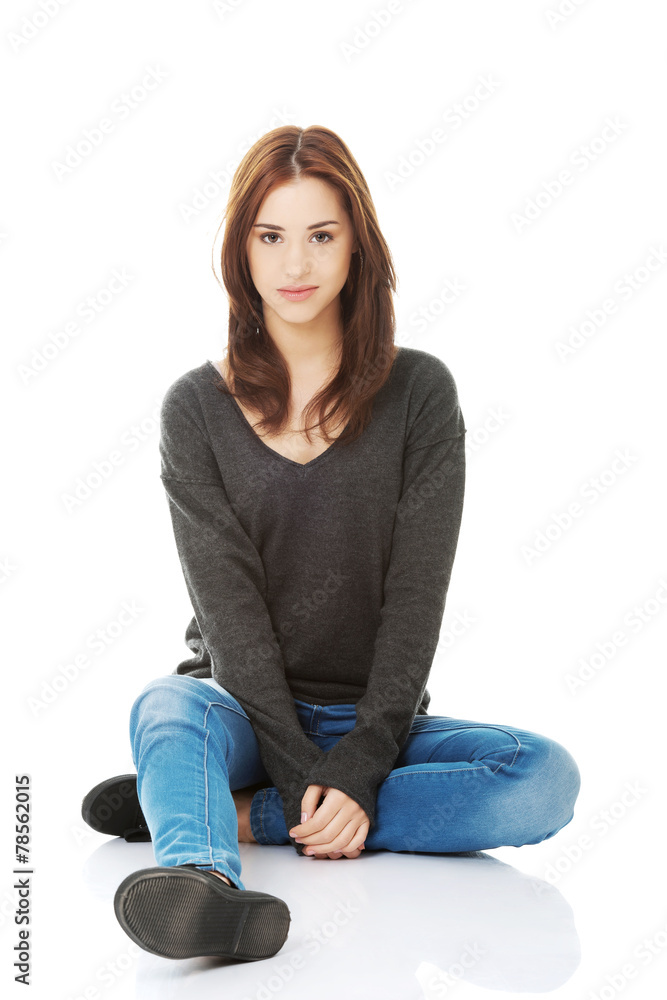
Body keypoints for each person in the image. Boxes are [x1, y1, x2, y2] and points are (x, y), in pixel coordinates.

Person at [81, 125, 581, 964]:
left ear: (358, 246)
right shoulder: (194, 409)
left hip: (376, 716)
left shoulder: (419, 391)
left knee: (540, 779)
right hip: (238, 704)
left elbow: (416, 596)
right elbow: (227, 610)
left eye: (321, 236)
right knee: (166, 709)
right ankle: (204, 880)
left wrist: (356, 766)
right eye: (270, 237)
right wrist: (295, 760)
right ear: (241, 251)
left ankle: (226, 812)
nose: (295, 265)